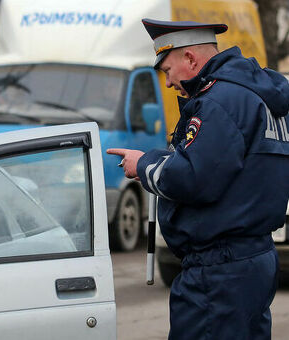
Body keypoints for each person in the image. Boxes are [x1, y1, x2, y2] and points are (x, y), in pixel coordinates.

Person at [107, 18, 289, 339]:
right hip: (253, 258)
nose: (167, 83)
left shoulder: (220, 101)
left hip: (219, 270)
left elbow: (193, 177)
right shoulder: (258, 95)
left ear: (190, 59)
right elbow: (227, 166)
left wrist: (145, 164)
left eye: (167, 71)